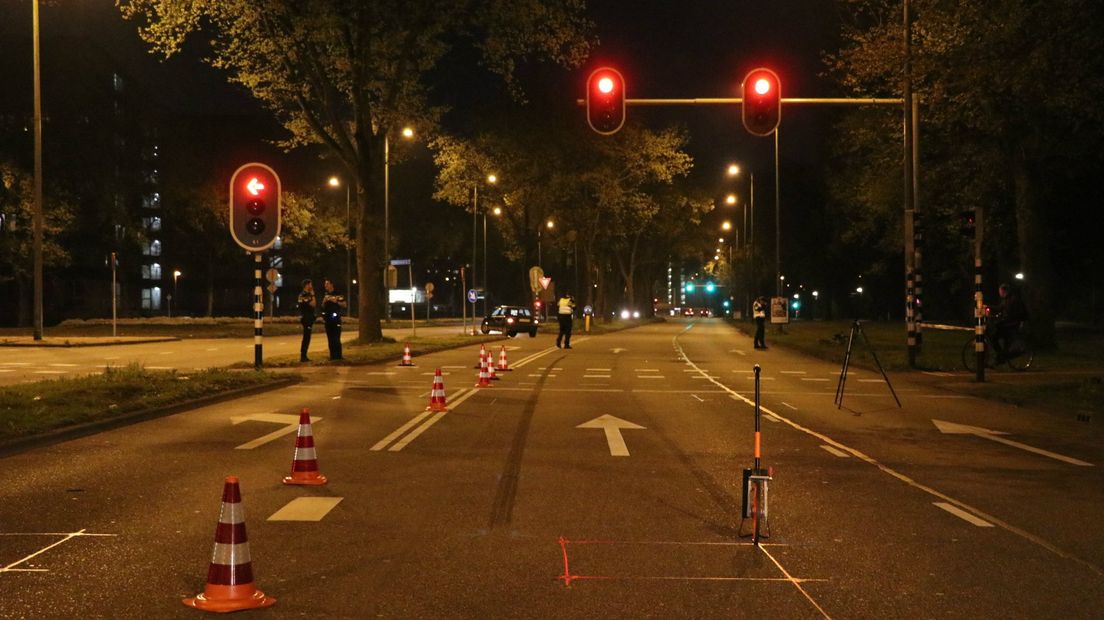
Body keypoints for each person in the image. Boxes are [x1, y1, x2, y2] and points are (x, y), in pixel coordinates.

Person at [990, 283, 1028, 361]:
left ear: (1004, 291)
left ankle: (1003, 356)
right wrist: (987, 307)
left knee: (995, 337)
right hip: (1008, 323)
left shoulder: (1013, 299)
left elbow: (1019, 313)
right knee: (997, 336)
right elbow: (999, 308)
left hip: (1011, 324)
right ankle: (1002, 355)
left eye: (1000, 291)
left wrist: (1020, 323)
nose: (999, 293)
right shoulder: (1006, 300)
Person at [321, 278, 347, 361]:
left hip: (336, 318)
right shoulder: (326, 294)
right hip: (328, 319)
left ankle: (338, 356)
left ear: (332, 284)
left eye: (327, 284)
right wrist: (324, 302)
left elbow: (344, 304)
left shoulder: (338, 294)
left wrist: (336, 301)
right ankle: (332, 356)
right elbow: (322, 307)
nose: (325, 286)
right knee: (330, 338)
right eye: (325, 284)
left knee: (336, 337)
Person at [297, 279, 316, 362]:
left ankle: (304, 355)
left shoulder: (305, 295)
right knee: (306, 337)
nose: (311, 286)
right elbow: (313, 304)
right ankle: (303, 355)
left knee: (307, 337)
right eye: (310, 284)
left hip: (308, 317)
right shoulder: (304, 295)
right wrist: (313, 295)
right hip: (306, 317)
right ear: (306, 285)